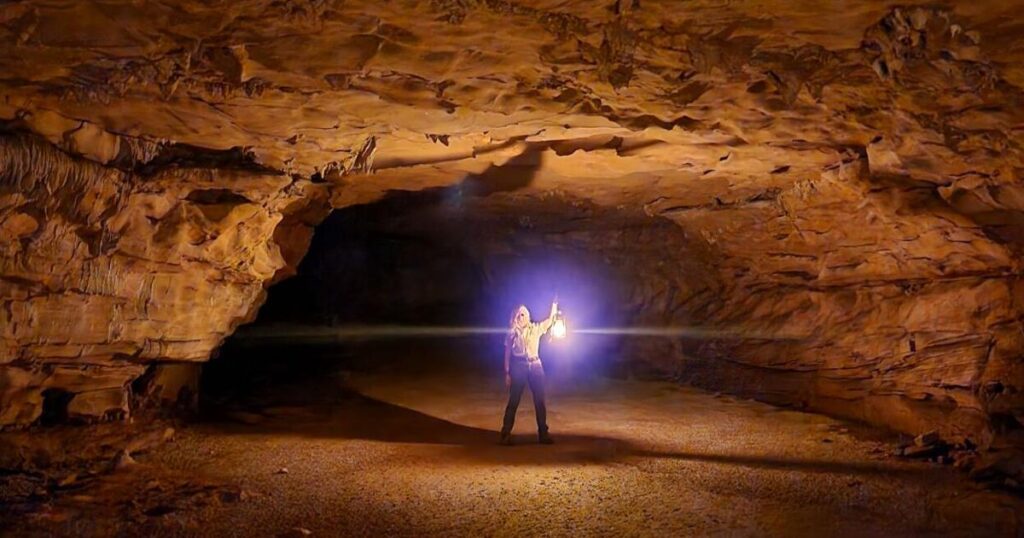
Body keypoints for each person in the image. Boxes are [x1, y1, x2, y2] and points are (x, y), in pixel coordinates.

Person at [500, 298, 558, 445]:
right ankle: (505, 434)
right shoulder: (512, 332)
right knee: (514, 400)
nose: (522, 317)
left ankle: (543, 434)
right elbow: (507, 352)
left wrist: (554, 304)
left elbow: (550, 320)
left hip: (536, 366)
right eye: (519, 315)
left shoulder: (536, 329)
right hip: (519, 366)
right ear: (514, 317)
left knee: (540, 401)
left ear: (528, 316)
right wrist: (507, 372)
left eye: (524, 314)